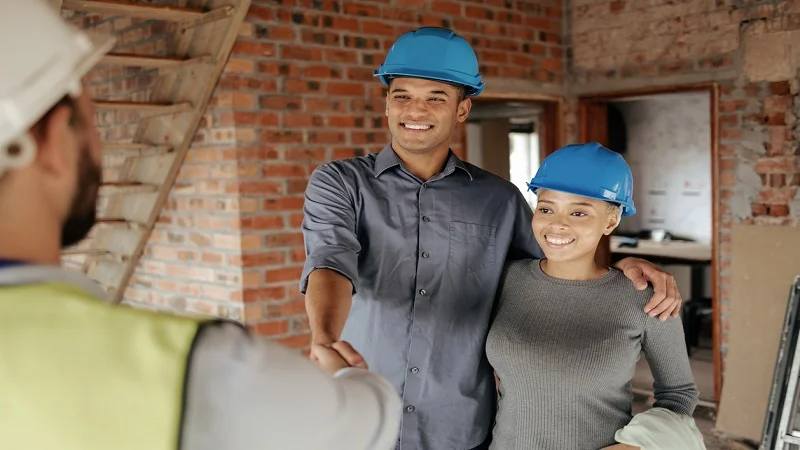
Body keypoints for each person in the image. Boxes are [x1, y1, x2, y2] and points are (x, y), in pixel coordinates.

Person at [0, 2, 400, 449]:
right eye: (93, 122)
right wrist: (350, 377)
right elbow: (367, 425)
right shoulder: (194, 368)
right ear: (52, 140)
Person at [300, 26, 683, 450]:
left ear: (462, 110)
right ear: (387, 104)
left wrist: (623, 269)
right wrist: (324, 338)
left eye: (436, 97)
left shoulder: (499, 200)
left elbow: (560, 261)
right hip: (362, 415)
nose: (415, 109)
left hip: (460, 426)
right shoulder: (340, 183)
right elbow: (330, 261)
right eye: (402, 95)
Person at [485, 142, 705, 450]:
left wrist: (631, 448)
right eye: (546, 208)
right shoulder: (505, 279)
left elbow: (679, 393)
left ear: (611, 221)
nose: (557, 223)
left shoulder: (644, 297)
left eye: (579, 212)